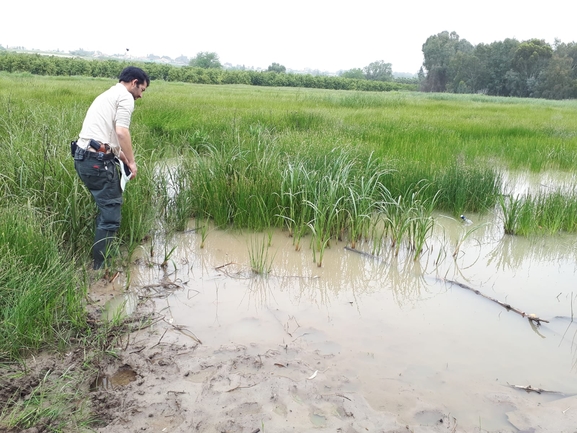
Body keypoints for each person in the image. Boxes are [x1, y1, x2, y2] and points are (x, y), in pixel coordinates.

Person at [73, 66, 150, 270]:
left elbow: (108, 138)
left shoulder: (108, 94)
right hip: (97, 162)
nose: (141, 95)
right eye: (142, 89)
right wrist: (132, 162)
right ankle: (101, 267)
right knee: (110, 215)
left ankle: (102, 256)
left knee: (104, 208)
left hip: (83, 157)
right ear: (134, 83)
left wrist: (124, 159)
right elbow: (122, 132)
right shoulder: (125, 97)